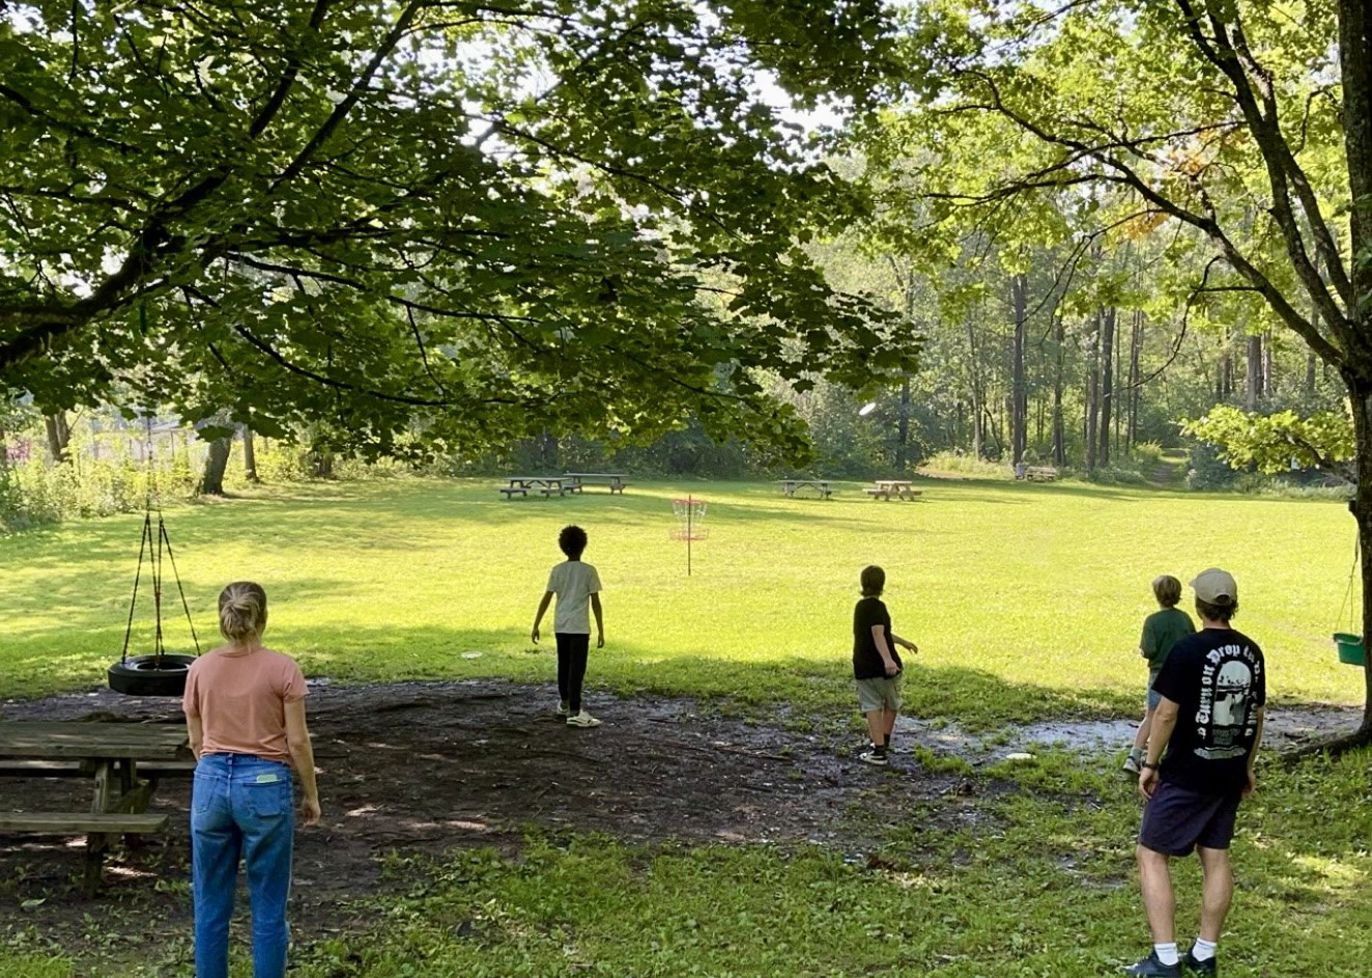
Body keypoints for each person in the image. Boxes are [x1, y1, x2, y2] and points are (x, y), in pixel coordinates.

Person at [1125, 568, 1265, 978]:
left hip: (1188, 771)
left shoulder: (1187, 650)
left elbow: (1165, 713)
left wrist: (1149, 764)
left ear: (1199, 605)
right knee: (1215, 855)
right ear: (1232, 606)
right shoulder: (1252, 652)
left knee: (1151, 853)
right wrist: (1247, 767)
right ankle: (1205, 953)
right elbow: (1256, 716)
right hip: (1229, 771)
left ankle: (1165, 959)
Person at [182, 582, 321, 978]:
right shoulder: (282, 669)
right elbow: (297, 741)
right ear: (263, 617)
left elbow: (196, 738)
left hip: (209, 782)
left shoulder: (199, 668)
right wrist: (310, 794)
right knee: (268, 905)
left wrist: (216, 770)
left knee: (210, 904)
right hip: (264, 784)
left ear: (222, 618)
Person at [531, 524, 605, 728]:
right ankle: (575, 711)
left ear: (563, 546)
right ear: (583, 546)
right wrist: (600, 629)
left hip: (561, 625)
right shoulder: (589, 571)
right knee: (577, 669)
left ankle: (564, 703)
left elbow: (546, 599)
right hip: (579, 627)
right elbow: (596, 603)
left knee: (563, 666)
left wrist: (536, 624)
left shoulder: (558, 571)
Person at [1124, 575, 1196, 775]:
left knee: (1152, 714)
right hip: (1182, 674)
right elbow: (1192, 642)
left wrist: (1143, 650)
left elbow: (1149, 650)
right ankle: (1161, 757)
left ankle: (1135, 755)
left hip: (1158, 674)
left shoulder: (1152, 621)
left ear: (1157, 595)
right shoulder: (1184, 619)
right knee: (1175, 715)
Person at [852, 565, 919, 766]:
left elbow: (879, 633)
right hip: (887, 669)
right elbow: (878, 633)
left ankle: (878, 748)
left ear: (863, 584)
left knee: (872, 706)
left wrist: (902, 642)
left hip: (865, 666)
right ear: (882, 585)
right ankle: (883, 742)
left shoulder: (861, 607)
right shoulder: (879, 608)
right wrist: (888, 660)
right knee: (891, 704)